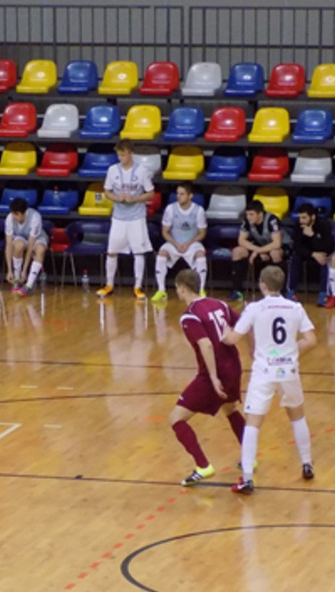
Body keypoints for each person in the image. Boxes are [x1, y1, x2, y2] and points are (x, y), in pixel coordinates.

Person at [221, 265, 317, 494]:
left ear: (262, 284)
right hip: (288, 371)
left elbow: (232, 339)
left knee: (253, 424)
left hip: (264, 372)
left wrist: (224, 334)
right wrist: (291, 351)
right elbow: (311, 340)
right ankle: (307, 464)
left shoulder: (255, 308)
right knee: (297, 417)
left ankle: (247, 478)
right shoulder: (295, 307)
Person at [170, 268, 247, 486]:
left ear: (182, 288)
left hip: (215, 372)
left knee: (176, 418)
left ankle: (203, 466)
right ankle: (250, 457)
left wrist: (213, 377)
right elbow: (243, 324)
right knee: (230, 408)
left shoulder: (190, 315)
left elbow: (206, 344)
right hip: (234, 366)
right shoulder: (219, 304)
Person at [96, 138, 156, 300]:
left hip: (136, 217)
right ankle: (109, 284)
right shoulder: (112, 170)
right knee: (112, 251)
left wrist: (134, 199)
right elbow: (107, 191)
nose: (120, 158)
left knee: (138, 252)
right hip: (119, 217)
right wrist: (116, 198)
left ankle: (137, 286)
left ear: (130, 154)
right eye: (119, 155)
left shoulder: (141, 171)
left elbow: (151, 193)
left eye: (123, 155)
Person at [151, 182, 208, 303]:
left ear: (190, 195)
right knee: (162, 254)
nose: (178, 196)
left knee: (200, 255)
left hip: (192, 243)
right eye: (177, 193)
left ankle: (201, 290)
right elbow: (165, 231)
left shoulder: (199, 210)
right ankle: (161, 290)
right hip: (174, 243)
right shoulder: (170, 209)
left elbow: (202, 233)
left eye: (182, 194)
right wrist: (176, 244)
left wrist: (188, 243)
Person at [229, 200, 287, 302]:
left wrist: (258, 251)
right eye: (247, 214)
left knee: (275, 253)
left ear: (260, 214)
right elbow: (241, 240)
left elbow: (277, 243)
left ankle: (281, 291)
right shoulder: (247, 220)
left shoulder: (272, 220)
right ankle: (237, 290)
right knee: (237, 252)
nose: (248, 217)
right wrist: (258, 251)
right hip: (260, 246)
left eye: (251, 214)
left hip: (281, 246)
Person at [287, 203, 335, 307]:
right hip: (308, 253)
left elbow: (326, 247)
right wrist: (312, 254)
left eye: (304, 217)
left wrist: (312, 235)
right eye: (300, 217)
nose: (301, 220)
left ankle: (324, 294)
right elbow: (297, 246)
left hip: (323, 252)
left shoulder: (324, 225)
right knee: (295, 257)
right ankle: (291, 292)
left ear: (312, 217)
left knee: (324, 259)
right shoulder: (298, 225)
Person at [4, 198, 48, 297]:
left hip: (37, 238)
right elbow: (8, 245)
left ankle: (28, 284)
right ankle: (16, 279)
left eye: (16, 214)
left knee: (40, 249)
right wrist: (9, 270)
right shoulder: (9, 219)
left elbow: (31, 246)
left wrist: (24, 271)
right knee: (18, 246)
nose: (14, 217)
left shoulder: (35, 217)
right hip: (20, 237)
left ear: (22, 213)